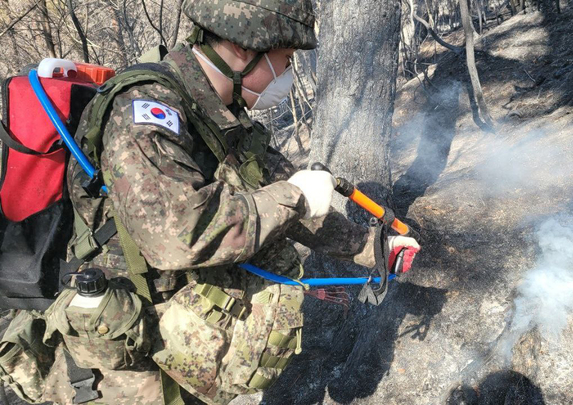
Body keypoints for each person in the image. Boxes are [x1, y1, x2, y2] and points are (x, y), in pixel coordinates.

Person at [39, 0, 420, 404]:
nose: (289, 74)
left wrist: (373, 247)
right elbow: (177, 235)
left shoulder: (219, 113)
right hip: (127, 354)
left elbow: (291, 202)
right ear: (243, 49)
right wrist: (294, 196)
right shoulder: (144, 111)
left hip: (182, 331)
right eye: (286, 59)